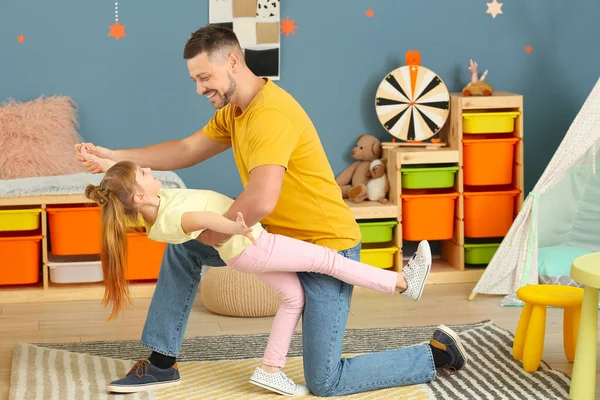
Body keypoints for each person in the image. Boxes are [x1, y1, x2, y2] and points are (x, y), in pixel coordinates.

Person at [76, 24, 467, 397]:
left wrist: (215, 231)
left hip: (327, 246)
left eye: (204, 77)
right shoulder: (235, 112)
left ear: (232, 62)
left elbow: (262, 200)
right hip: (274, 240)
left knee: (325, 381)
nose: (199, 88)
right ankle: (161, 362)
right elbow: (185, 150)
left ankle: (434, 354)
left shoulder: (270, 115)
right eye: (194, 80)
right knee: (183, 247)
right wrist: (115, 157)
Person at [81, 157, 434, 396]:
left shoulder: (153, 208)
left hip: (243, 254)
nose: (148, 169)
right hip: (255, 245)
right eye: (143, 173)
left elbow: (142, 190)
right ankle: (402, 282)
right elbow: (204, 221)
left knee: (294, 297)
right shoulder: (171, 216)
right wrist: (238, 223)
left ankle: (270, 368)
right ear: (140, 194)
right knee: (327, 260)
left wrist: (106, 166)